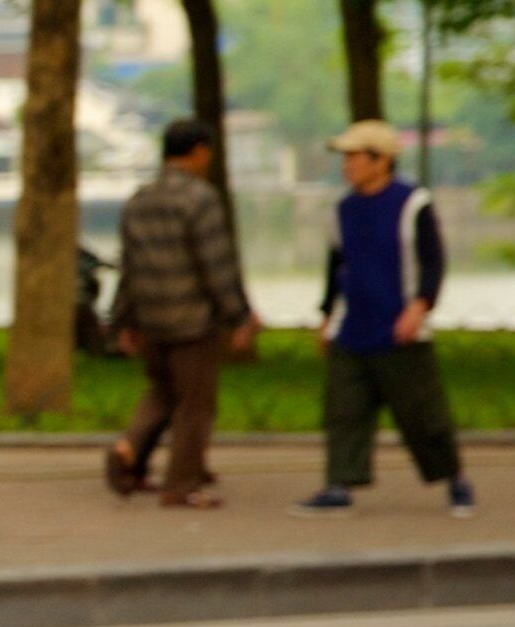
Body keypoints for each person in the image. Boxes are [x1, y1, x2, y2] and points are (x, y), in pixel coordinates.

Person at [298, 118, 473, 516]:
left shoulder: (412, 204)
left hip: (400, 328)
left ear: (381, 160)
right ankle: (339, 485)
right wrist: (327, 316)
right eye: (345, 158)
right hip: (352, 327)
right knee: (344, 412)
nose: (346, 165)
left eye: (354, 157)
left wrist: (420, 306)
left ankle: (454, 480)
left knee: (422, 416)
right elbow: (336, 267)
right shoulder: (340, 210)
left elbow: (433, 261)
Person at [106, 119, 260, 509]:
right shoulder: (200, 199)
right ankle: (182, 485)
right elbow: (216, 263)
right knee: (195, 404)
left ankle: (128, 450)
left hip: (150, 317)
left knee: (162, 391)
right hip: (191, 319)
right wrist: (239, 315)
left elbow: (129, 266)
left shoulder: (139, 199)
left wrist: (123, 320)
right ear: (199, 152)